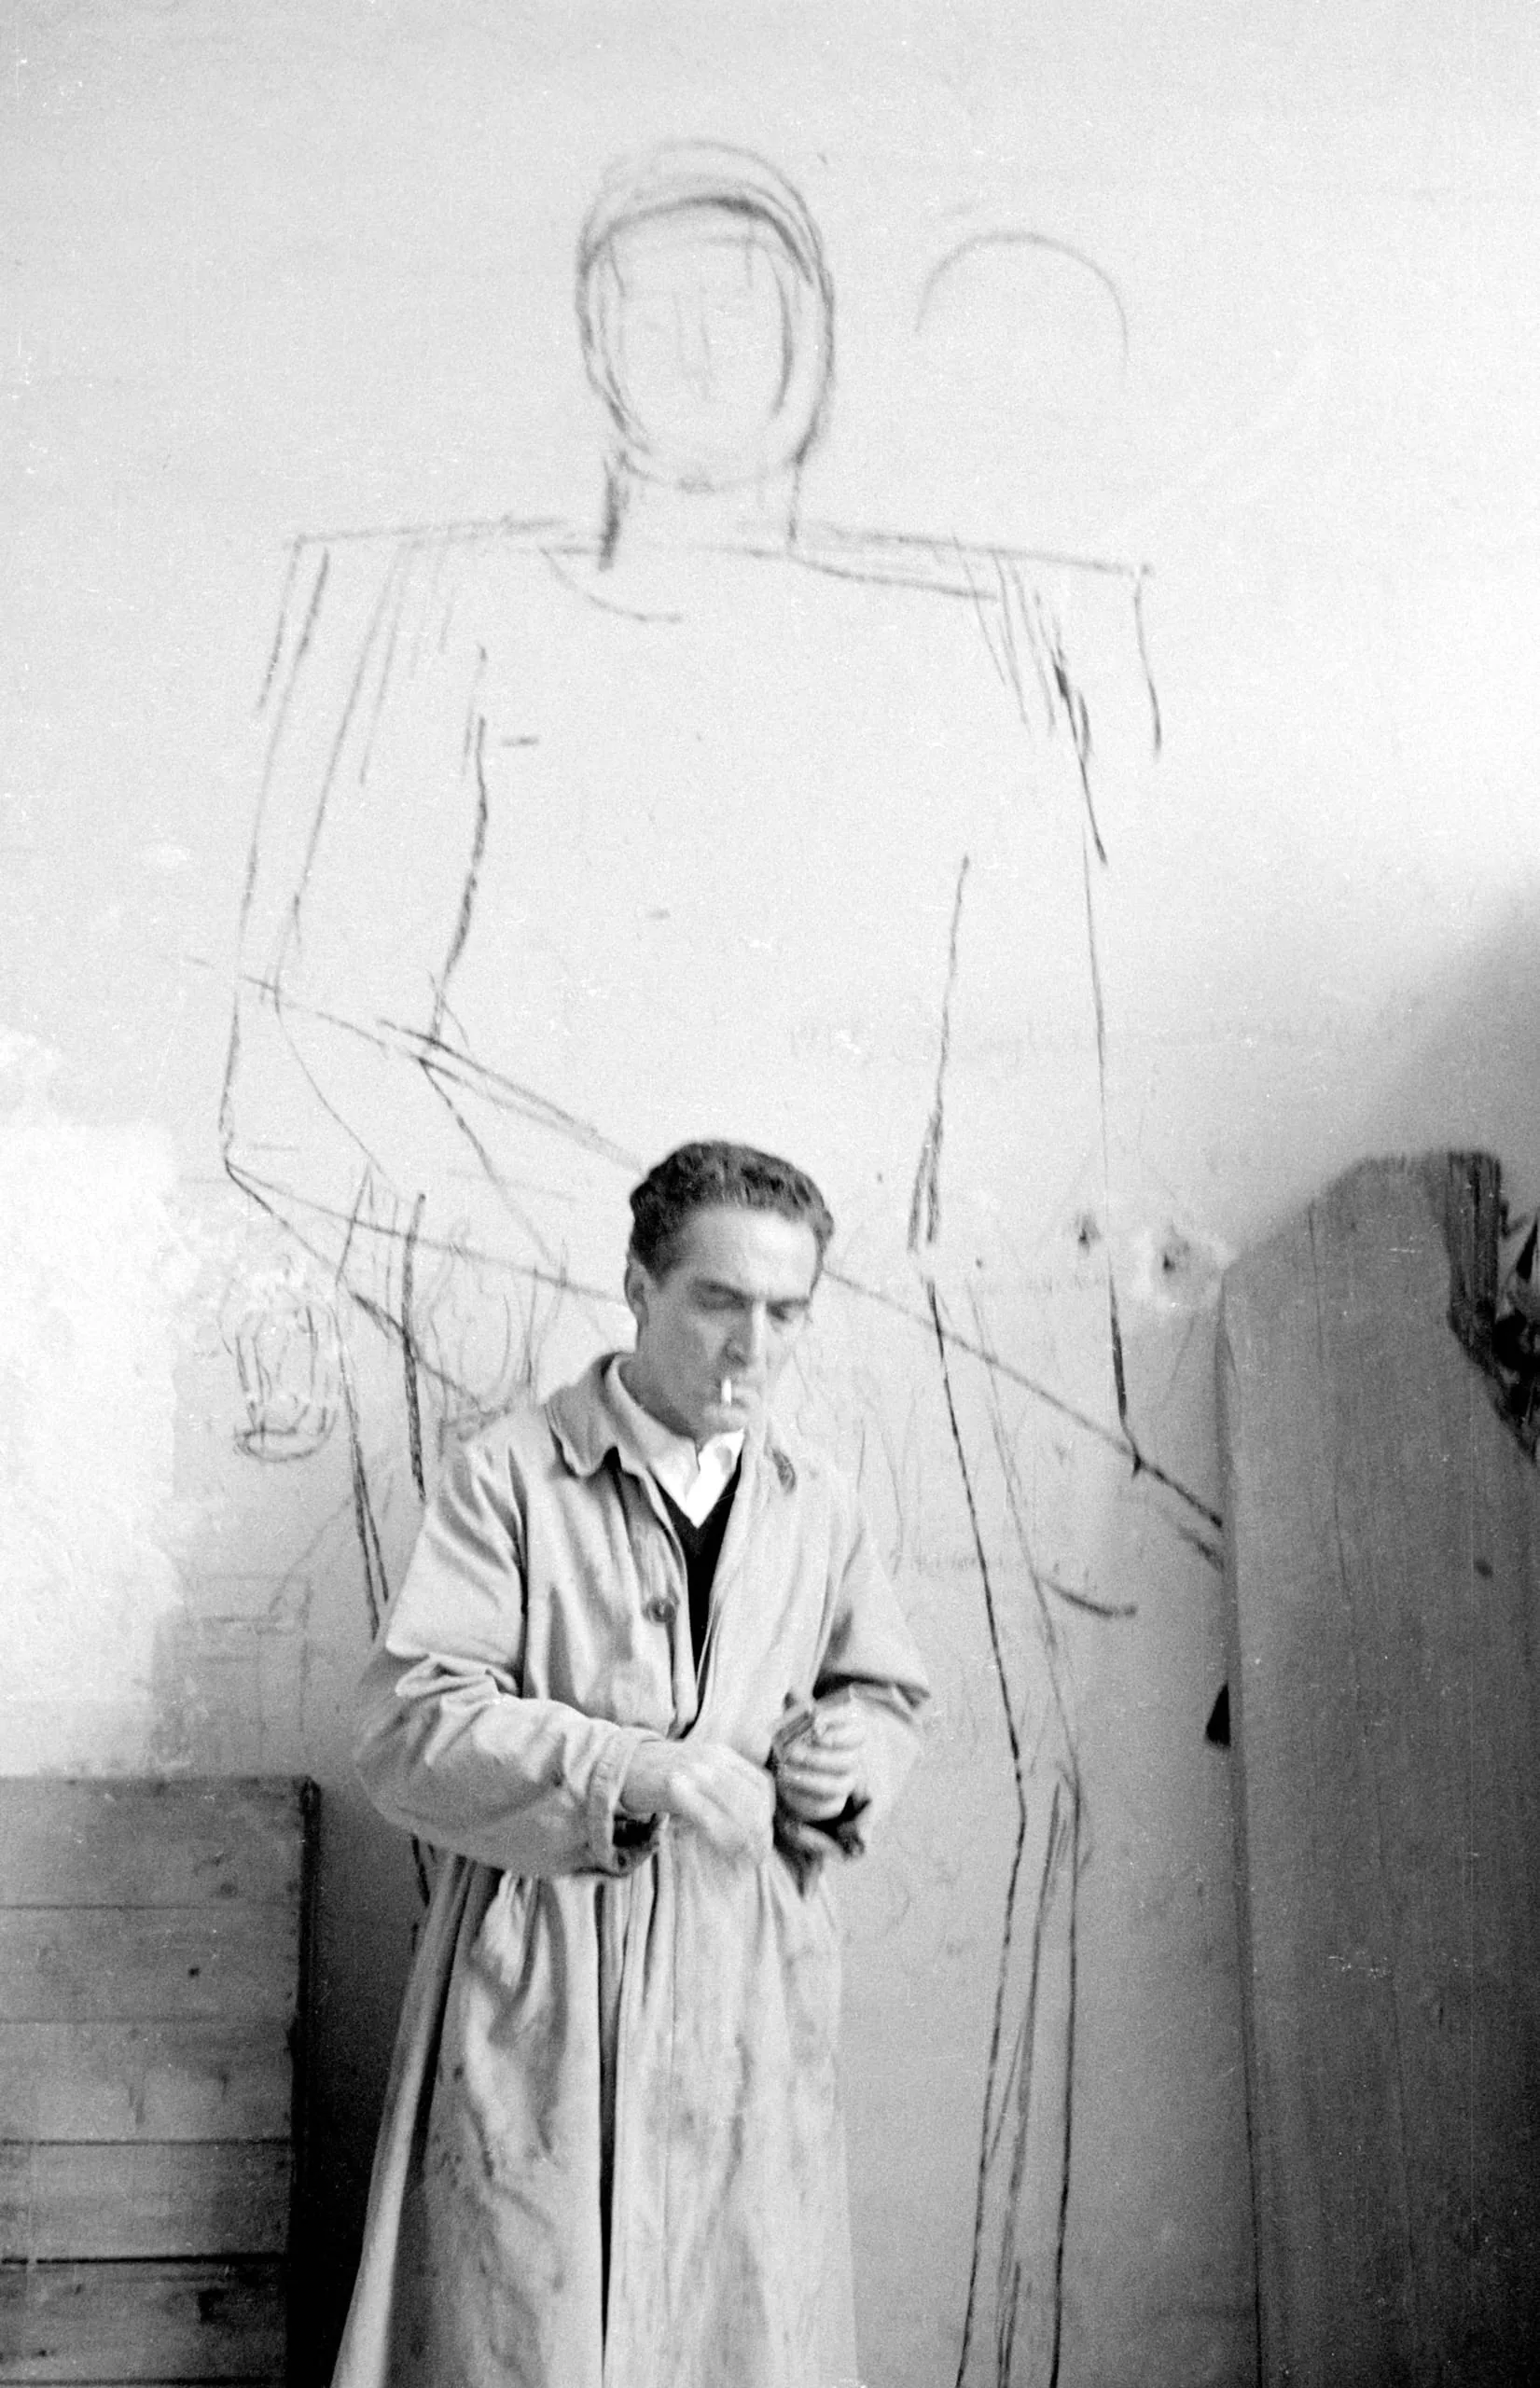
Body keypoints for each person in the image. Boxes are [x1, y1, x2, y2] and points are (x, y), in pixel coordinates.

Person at [332, 1140, 931, 2388]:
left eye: (785, 1312)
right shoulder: (510, 1476)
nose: (751, 1347)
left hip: (745, 1988)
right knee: (526, 2337)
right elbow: (408, 1728)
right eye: (718, 1301)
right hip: (543, 1984)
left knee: (738, 2336)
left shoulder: (815, 1501)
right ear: (638, 1287)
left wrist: (847, 1759)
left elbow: (880, 1696)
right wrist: (635, 1770)